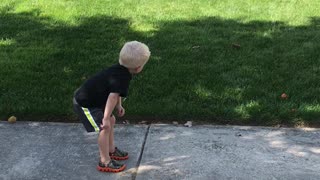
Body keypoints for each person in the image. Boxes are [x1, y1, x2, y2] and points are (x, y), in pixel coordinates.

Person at [73, 41, 150, 173]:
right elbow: (112, 96)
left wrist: (119, 106)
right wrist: (106, 117)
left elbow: (115, 92)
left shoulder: (120, 71)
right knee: (105, 127)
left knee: (112, 121)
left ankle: (111, 150)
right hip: (85, 104)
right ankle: (105, 161)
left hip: (95, 100)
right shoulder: (122, 77)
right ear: (138, 68)